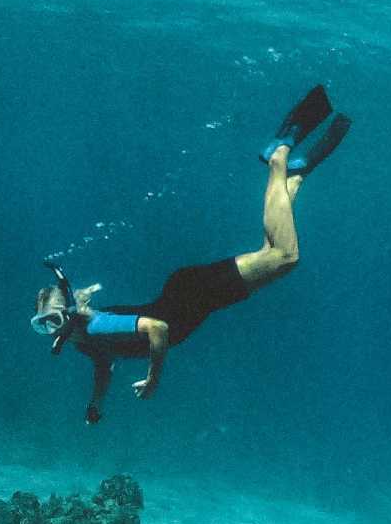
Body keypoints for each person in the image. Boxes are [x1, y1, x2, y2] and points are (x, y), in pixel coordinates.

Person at [31, 85, 351, 424]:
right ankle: (291, 179)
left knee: (285, 256)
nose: (52, 330)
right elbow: (103, 366)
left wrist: (154, 378)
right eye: (43, 325)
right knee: (273, 252)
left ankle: (280, 155)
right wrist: (95, 404)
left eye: (53, 319)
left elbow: (157, 329)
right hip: (196, 299)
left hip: (194, 294)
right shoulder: (85, 342)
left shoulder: (95, 327)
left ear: (67, 310)